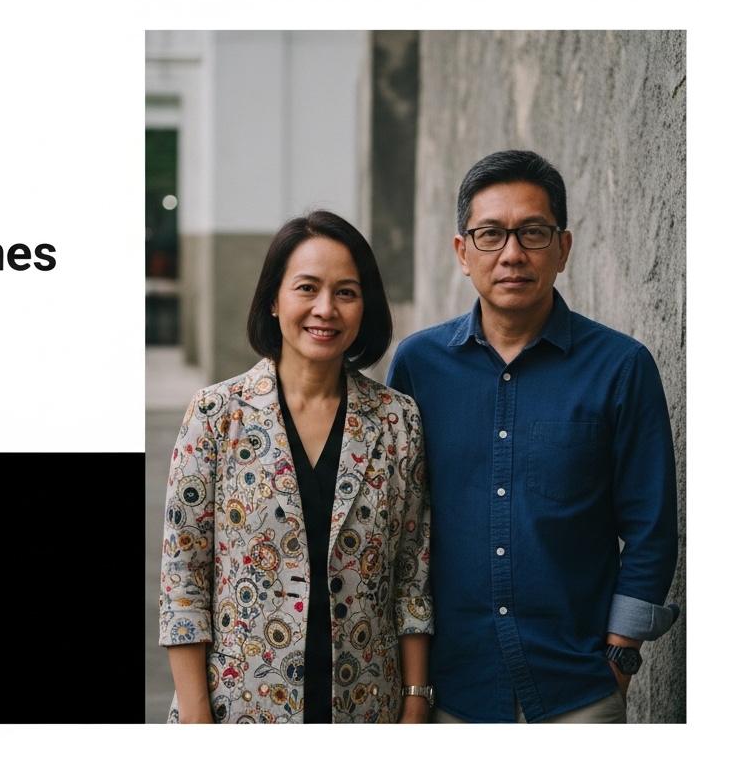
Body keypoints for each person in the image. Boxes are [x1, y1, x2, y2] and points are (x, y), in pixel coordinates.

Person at [387, 150, 680, 723]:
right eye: (491, 234)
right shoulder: (418, 366)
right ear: (462, 252)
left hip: (579, 693)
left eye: (533, 233)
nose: (512, 254)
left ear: (563, 249)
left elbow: (650, 528)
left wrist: (620, 657)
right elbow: (400, 524)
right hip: (453, 693)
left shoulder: (621, 367)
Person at [159, 210, 433, 723]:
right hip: (240, 712)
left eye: (346, 292)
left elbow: (411, 578)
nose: (325, 309)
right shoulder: (217, 415)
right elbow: (184, 580)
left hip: (366, 709)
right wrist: (197, 721)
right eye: (307, 288)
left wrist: (416, 702)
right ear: (274, 298)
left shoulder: (398, 422)